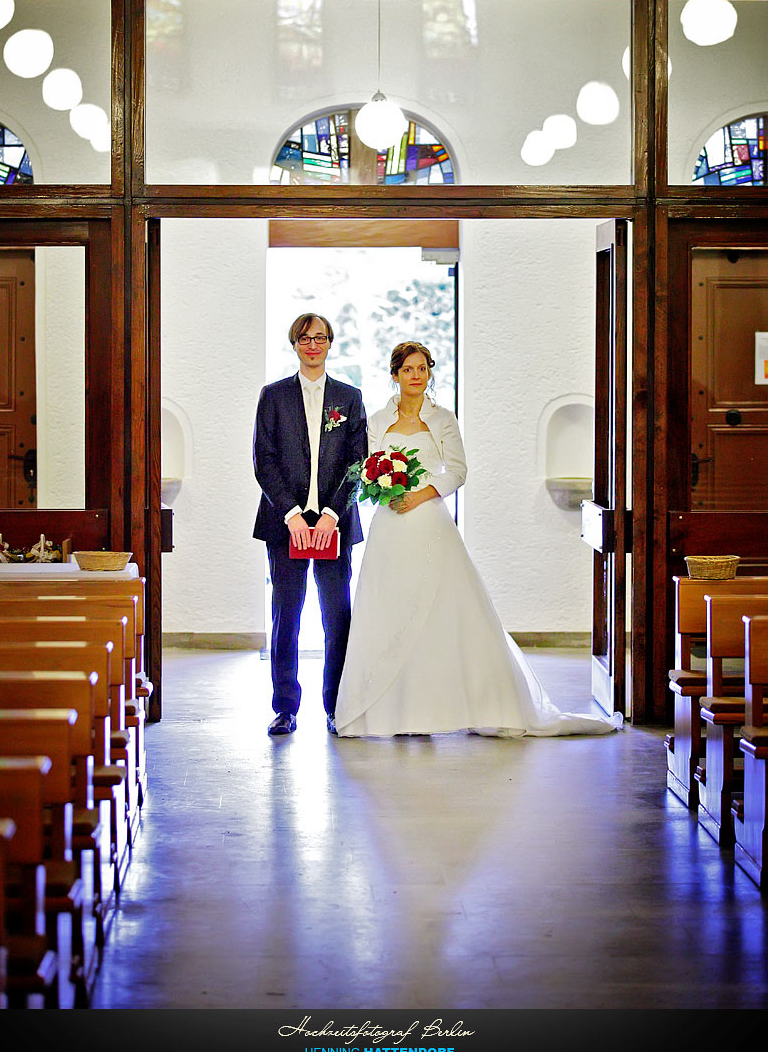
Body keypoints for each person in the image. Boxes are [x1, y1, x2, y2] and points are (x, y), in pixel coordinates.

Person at [334, 340, 621, 739]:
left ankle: (445, 707)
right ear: (395, 375)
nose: (416, 376)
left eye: (423, 368)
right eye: (408, 370)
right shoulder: (379, 419)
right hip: (390, 525)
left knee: (439, 609)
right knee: (390, 607)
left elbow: (457, 471)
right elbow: (368, 465)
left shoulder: (443, 419)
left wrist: (419, 493)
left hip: (429, 521)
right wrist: (383, 488)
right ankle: (388, 709)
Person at [253, 313, 367, 737]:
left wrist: (333, 515)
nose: (313, 345)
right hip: (285, 524)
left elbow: (359, 464)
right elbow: (263, 460)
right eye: (305, 338)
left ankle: (336, 706)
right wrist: (293, 514)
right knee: (287, 615)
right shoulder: (274, 396)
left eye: (320, 338)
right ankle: (285, 707)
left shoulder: (349, 398)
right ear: (295, 344)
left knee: (337, 615)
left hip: (335, 524)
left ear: (330, 343)